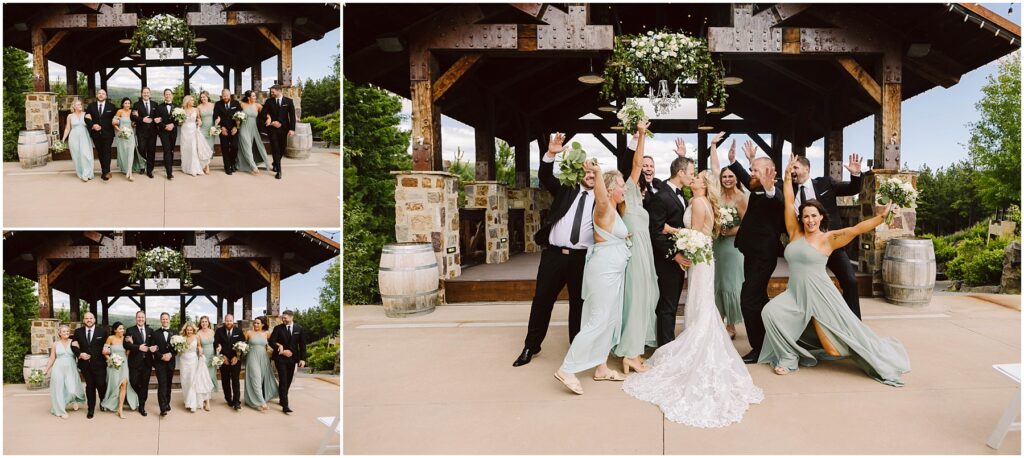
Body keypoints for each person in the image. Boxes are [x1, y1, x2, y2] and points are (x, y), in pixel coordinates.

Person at [623, 148, 764, 427]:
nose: (695, 177)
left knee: (700, 302)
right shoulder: (696, 199)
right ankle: (696, 336)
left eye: (697, 176)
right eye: (692, 173)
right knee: (701, 302)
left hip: (699, 259)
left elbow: (697, 234)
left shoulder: (698, 203)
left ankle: (696, 343)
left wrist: (672, 231)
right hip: (701, 259)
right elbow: (701, 234)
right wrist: (675, 234)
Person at [758, 154, 910, 385]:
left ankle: (875, 355)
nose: (809, 220)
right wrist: (788, 176)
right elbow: (789, 202)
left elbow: (857, 229)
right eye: (806, 216)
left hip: (820, 294)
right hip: (795, 294)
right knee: (769, 313)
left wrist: (882, 217)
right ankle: (789, 356)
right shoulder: (794, 233)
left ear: (821, 218)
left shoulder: (828, 239)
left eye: (813, 216)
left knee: (846, 338)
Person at [513, 133, 596, 367]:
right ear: (580, 173)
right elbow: (545, 176)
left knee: (578, 305)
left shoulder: (601, 199)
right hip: (554, 256)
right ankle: (531, 346)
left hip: (582, 258)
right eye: (586, 171)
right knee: (542, 300)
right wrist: (550, 153)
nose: (590, 175)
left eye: (594, 172)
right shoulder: (566, 189)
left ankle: (576, 349)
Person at [553, 160, 632, 394]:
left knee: (609, 319)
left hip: (614, 270)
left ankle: (601, 368)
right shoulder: (604, 206)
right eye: (621, 185)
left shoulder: (616, 211)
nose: (625, 188)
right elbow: (600, 196)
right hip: (603, 271)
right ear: (609, 189)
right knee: (597, 319)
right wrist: (598, 173)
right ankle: (567, 369)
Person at [727, 141, 785, 363]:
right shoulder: (758, 186)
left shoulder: (774, 191)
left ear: (771, 173)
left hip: (763, 256)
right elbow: (749, 180)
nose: (752, 173)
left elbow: (776, 199)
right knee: (759, 300)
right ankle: (769, 340)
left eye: (755, 170)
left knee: (748, 300)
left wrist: (770, 187)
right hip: (752, 254)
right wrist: (736, 162)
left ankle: (759, 348)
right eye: (752, 170)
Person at [789, 154, 865, 318]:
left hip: (830, 243)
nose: (792, 171)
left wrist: (856, 175)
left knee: (850, 281)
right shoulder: (788, 188)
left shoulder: (825, 183)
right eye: (790, 168)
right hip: (806, 248)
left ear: (807, 168)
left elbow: (852, 189)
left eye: (795, 167)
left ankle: (852, 322)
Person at [611, 121, 658, 374]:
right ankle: (630, 353)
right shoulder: (627, 195)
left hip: (645, 253)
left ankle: (636, 350)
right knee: (637, 300)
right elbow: (638, 164)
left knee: (647, 298)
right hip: (635, 255)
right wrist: (641, 135)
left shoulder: (639, 201)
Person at [648, 153, 696, 347]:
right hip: (666, 261)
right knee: (667, 306)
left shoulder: (679, 193)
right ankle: (665, 347)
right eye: (691, 173)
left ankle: (667, 342)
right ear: (681, 172)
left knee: (671, 304)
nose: (693, 177)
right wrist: (674, 255)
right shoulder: (661, 197)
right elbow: (656, 232)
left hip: (677, 259)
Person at [714, 139, 748, 339]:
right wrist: (713, 147)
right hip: (717, 244)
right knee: (717, 283)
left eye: (730, 176)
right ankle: (718, 320)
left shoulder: (741, 198)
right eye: (724, 176)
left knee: (730, 284)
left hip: (733, 246)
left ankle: (732, 324)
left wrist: (731, 231)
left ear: (736, 178)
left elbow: (746, 225)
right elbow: (715, 166)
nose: (727, 179)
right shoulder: (717, 195)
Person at [43, 324, 85, 419]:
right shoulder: (55, 344)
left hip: (71, 368)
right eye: (64, 331)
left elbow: (79, 354)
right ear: (59, 333)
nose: (66, 333)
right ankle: (61, 411)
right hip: (58, 368)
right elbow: (52, 358)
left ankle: (73, 400)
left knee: (71, 389)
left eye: (67, 331)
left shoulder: (73, 342)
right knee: (58, 389)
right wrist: (46, 369)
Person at [269, 310, 307, 414]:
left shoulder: (299, 329)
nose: (283, 319)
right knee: (283, 379)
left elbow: (302, 345)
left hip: (293, 359)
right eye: (282, 318)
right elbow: (271, 341)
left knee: (289, 380)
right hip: (280, 358)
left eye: (285, 318)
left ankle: (282, 398)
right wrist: (281, 348)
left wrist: (302, 359)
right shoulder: (278, 328)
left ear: (291, 317)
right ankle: (285, 406)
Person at [71, 312, 106, 418]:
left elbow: (108, 345)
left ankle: (103, 403)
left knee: (101, 385)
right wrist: (79, 354)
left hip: (100, 364)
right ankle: (91, 409)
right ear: (84, 320)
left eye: (91, 318)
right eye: (87, 318)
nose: (89, 320)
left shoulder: (102, 332)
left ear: (94, 319)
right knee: (90, 386)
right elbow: (73, 346)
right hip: (85, 365)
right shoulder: (78, 332)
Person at [100, 322, 138, 419]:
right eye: (120, 328)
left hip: (124, 364)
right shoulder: (110, 338)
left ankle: (120, 410)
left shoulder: (125, 339)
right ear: (115, 330)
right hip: (113, 366)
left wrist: (131, 343)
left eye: (123, 328)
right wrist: (111, 360)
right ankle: (111, 403)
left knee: (124, 384)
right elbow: (104, 352)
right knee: (114, 386)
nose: (122, 330)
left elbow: (127, 353)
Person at [260, 84, 296, 179]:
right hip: (272, 129)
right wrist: (270, 120)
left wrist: (292, 129)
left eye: (273, 91)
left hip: (284, 129)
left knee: (282, 148)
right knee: (275, 148)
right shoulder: (269, 101)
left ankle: (275, 162)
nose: (271, 93)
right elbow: (263, 114)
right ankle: (278, 171)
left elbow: (292, 117)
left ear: (279, 91)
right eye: (271, 92)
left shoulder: (289, 101)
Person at [245, 316, 279, 411]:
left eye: (258, 323)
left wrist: (279, 345)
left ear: (262, 324)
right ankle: (261, 402)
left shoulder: (266, 333)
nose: (255, 324)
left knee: (262, 380)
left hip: (264, 358)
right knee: (256, 378)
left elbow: (273, 341)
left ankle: (253, 399)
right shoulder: (249, 333)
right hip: (252, 358)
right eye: (255, 323)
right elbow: (241, 343)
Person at [178, 321, 214, 412]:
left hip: (193, 361)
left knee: (192, 381)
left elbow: (199, 346)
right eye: (187, 330)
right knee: (185, 381)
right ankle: (187, 400)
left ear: (193, 330)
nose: (189, 331)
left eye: (191, 330)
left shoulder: (196, 337)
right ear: (185, 330)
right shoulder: (182, 338)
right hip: (183, 361)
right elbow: (179, 351)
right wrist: (179, 350)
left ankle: (193, 404)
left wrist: (200, 351)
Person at [123, 310, 153, 416]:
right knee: (134, 382)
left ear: (145, 318)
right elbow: (126, 345)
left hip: (147, 363)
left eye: (142, 317)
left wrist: (155, 348)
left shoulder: (150, 330)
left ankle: (142, 406)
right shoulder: (130, 330)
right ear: (136, 318)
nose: (140, 319)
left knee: (145, 385)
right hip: (134, 362)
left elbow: (153, 344)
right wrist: (138, 347)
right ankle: (140, 396)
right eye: (139, 317)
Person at [215, 313, 245, 409]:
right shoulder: (219, 331)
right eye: (227, 320)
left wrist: (237, 356)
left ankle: (237, 402)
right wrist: (222, 356)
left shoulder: (239, 331)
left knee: (236, 380)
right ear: (225, 321)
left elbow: (243, 345)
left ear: (233, 321)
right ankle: (229, 399)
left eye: (230, 320)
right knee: (225, 381)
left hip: (235, 360)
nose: (228, 322)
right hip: (224, 360)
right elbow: (216, 344)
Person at [237, 90, 271, 174]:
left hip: (254, 129)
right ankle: (253, 167)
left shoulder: (257, 105)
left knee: (260, 146)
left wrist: (269, 118)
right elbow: (236, 115)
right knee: (247, 147)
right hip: (243, 128)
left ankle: (267, 163)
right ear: (248, 97)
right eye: (253, 96)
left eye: (255, 96)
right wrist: (237, 121)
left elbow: (265, 113)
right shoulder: (241, 104)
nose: (255, 97)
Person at [178, 95, 213, 176]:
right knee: (186, 148)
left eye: (193, 100)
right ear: (187, 101)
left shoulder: (196, 109)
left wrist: (199, 122)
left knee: (193, 149)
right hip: (185, 131)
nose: (193, 102)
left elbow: (199, 118)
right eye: (191, 100)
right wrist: (180, 120)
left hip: (193, 130)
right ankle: (187, 167)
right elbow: (180, 122)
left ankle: (194, 168)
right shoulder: (182, 110)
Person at [150, 312, 178, 416]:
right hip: (159, 363)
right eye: (163, 319)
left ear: (169, 320)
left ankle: (167, 403)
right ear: (160, 320)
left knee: (168, 384)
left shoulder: (175, 333)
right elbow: (153, 348)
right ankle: (162, 408)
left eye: (166, 319)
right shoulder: (155, 333)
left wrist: (171, 354)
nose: (165, 321)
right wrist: (161, 356)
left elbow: (178, 348)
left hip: (170, 362)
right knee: (162, 383)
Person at [85, 88, 116, 180]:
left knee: (107, 151)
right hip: (96, 133)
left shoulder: (112, 106)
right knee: (100, 152)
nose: (101, 95)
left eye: (103, 93)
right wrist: (93, 125)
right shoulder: (91, 106)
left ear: (106, 96)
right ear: (97, 95)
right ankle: (105, 170)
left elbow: (116, 117)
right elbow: (86, 118)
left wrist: (117, 120)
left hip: (108, 134)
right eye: (99, 93)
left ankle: (106, 172)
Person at [112, 97, 146, 180]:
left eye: (128, 103)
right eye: (125, 103)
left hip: (130, 135)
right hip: (122, 136)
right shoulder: (119, 111)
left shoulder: (132, 112)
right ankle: (126, 169)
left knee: (131, 153)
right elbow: (114, 123)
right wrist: (120, 131)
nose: (127, 105)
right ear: (122, 104)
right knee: (124, 153)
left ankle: (129, 173)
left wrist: (135, 123)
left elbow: (134, 124)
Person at [61, 99, 95, 182]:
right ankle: (82, 173)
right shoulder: (70, 116)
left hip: (84, 137)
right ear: (74, 106)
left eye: (80, 104)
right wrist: (63, 139)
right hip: (74, 137)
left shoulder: (86, 114)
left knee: (86, 155)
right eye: (78, 105)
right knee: (77, 156)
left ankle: (88, 173)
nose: (80, 106)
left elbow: (91, 125)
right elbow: (68, 128)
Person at [132, 87, 160, 178]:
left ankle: (149, 170)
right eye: (144, 93)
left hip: (152, 132)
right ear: (141, 94)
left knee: (151, 151)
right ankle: (143, 165)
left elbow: (158, 116)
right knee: (142, 149)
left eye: (147, 93)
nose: (146, 94)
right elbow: (133, 117)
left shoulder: (155, 104)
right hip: (141, 132)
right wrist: (142, 119)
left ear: (150, 94)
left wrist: (159, 119)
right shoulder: (136, 104)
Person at [213, 89, 241, 174]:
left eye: (227, 95)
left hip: (234, 129)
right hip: (223, 130)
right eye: (224, 96)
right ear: (222, 96)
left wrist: (236, 127)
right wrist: (221, 127)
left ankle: (232, 163)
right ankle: (227, 166)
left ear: (230, 95)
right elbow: (215, 116)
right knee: (224, 148)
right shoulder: (218, 104)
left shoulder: (236, 103)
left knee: (235, 147)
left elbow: (240, 116)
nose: (225, 97)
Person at [155, 88, 178, 180]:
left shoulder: (176, 106)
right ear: (164, 95)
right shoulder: (159, 107)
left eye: (169, 94)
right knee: (167, 150)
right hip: (163, 132)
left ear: (172, 95)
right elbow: (157, 120)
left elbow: (180, 119)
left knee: (171, 150)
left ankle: (169, 166)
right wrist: (164, 126)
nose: (168, 96)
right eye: (166, 94)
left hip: (173, 131)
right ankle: (169, 172)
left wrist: (173, 124)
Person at [197, 316, 218, 394]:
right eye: (202, 322)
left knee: (212, 375)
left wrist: (218, 348)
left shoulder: (212, 331)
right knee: (205, 375)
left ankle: (209, 391)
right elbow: (198, 345)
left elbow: (215, 343)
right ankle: (205, 393)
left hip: (212, 356)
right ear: (200, 323)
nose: (204, 323)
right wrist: (200, 350)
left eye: (206, 321)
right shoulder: (198, 333)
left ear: (208, 323)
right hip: (204, 356)